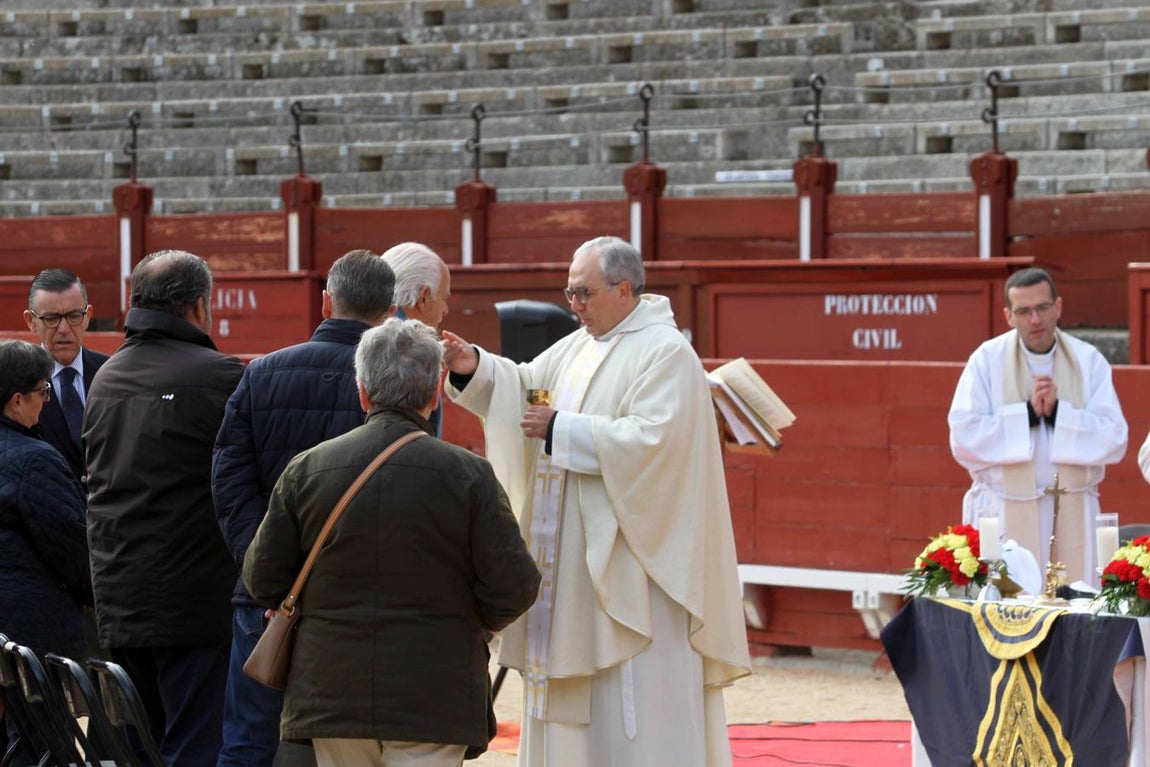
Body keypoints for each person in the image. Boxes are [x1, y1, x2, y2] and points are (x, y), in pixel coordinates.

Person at [442, 235, 750, 767]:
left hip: (630, 568)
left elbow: (657, 445)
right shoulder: (583, 343)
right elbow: (527, 384)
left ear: (624, 288)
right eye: (569, 293)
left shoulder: (666, 351)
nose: (574, 306)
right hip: (572, 567)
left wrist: (563, 428)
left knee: (628, 700)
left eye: (583, 293)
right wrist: (475, 365)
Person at [244, 318, 540, 767]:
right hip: (435, 693)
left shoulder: (308, 468)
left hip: (331, 692)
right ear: (435, 391)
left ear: (362, 391)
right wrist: (474, 624)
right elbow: (515, 584)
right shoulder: (468, 475)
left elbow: (262, 577)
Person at [212, 249, 396, 767]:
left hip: (265, 596)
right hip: (357, 597)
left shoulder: (261, 372)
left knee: (248, 739)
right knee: (351, 745)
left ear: (324, 303)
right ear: (388, 311)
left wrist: (265, 568)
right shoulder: (396, 384)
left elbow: (229, 482)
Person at [84, 250, 244, 767]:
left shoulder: (105, 377)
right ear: (198, 307)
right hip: (194, 601)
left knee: (136, 745)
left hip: (118, 593)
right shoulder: (219, 375)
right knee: (195, 744)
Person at [948, 266, 1127, 594]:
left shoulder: (1088, 362)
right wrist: (1028, 415)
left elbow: (1115, 436)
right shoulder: (986, 361)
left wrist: (1059, 413)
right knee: (1009, 611)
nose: (1035, 319)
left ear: (1058, 307)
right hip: (1004, 511)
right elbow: (963, 435)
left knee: (1075, 608)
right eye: (1024, 311)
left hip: (1073, 511)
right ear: (1008, 315)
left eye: (1043, 308)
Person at [0, 339, 93, 766]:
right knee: (40, 744)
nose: (47, 400)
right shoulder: (36, 460)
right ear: (17, 401)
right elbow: (73, 548)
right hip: (33, 634)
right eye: (43, 391)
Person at [23, 268, 109, 488]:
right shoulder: (16, 383)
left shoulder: (111, 373)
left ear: (88, 316)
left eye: (73, 316)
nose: (63, 329)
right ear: (31, 321)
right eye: (51, 318)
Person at [381, 241, 451, 435]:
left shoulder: (352, 334)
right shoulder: (419, 356)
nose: (445, 309)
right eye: (444, 298)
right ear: (424, 297)